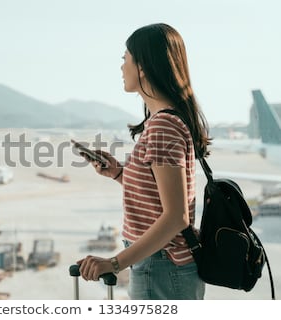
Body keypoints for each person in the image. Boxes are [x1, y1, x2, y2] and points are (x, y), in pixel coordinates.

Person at [77, 23, 210, 300]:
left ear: (143, 67)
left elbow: (175, 217)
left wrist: (114, 263)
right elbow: (161, 200)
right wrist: (117, 174)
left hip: (161, 267)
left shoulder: (163, 126)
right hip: (161, 265)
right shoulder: (164, 121)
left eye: (125, 59)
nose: (121, 67)